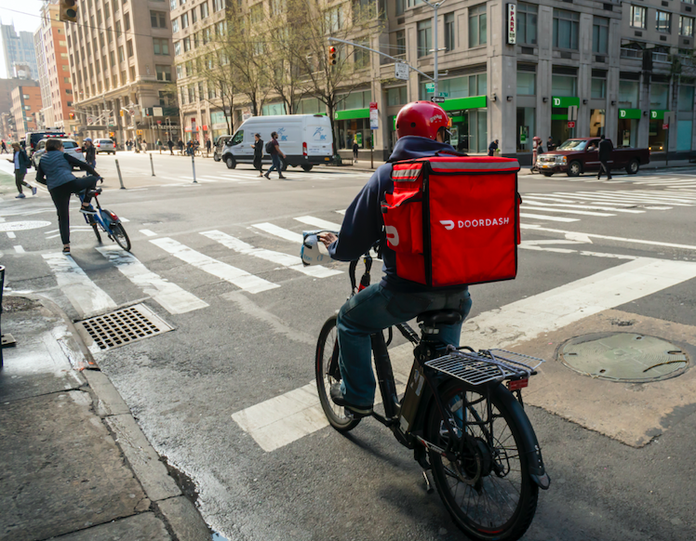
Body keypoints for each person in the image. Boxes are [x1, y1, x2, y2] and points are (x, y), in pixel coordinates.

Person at [317, 101, 472, 417]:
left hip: (406, 293)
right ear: (439, 133)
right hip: (459, 293)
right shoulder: (464, 170)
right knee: (445, 367)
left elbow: (351, 241)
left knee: (350, 320)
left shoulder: (390, 174)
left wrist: (334, 246)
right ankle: (454, 432)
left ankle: (357, 394)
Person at [35, 138, 101, 254]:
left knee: (63, 217)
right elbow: (83, 165)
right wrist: (97, 175)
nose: (63, 149)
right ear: (58, 147)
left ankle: (66, 246)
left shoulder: (42, 159)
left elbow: (39, 178)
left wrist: (51, 183)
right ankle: (85, 205)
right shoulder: (63, 155)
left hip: (55, 190)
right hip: (70, 183)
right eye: (62, 146)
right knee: (91, 180)